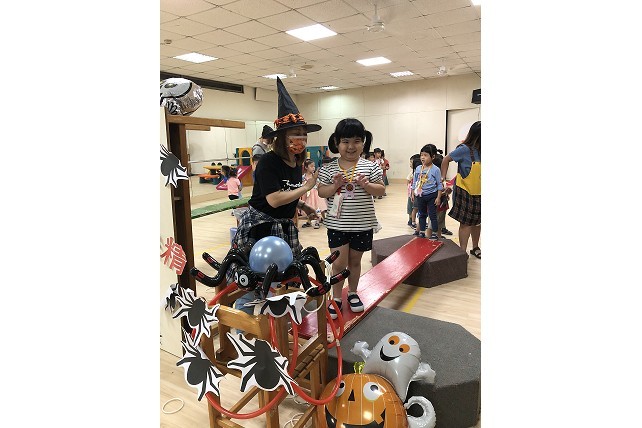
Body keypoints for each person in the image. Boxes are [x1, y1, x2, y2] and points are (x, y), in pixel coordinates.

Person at [230, 77, 322, 316]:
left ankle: (277, 317)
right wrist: (307, 188)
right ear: (281, 137)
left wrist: (304, 206)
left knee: (286, 275)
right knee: (255, 279)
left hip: (283, 228)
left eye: (303, 134)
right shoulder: (269, 161)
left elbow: (287, 191)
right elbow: (273, 199)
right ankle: (243, 325)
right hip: (261, 227)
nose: (301, 139)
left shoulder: (296, 161)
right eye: (295, 134)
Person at [317, 118, 385, 319]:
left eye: (357, 141)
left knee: (355, 262)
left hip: (362, 224)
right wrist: (335, 186)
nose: (351, 146)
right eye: (345, 141)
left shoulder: (370, 167)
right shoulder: (329, 168)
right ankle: (337, 297)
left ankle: (353, 293)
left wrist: (367, 185)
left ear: (363, 143)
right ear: (336, 142)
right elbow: (321, 192)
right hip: (337, 225)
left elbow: (380, 189)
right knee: (338, 264)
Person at [441, 121, 481, 258]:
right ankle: (462, 252)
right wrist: (443, 178)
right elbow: (446, 159)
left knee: (478, 222)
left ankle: (475, 247)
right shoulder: (464, 149)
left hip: (481, 191)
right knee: (466, 223)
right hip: (465, 191)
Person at [411, 144, 443, 240]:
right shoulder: (418, 168)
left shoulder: (435, 169)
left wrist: (438, 197)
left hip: (432, 195)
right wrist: (412, 193)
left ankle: (434, 233)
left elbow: (439, 184)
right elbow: (415, 181)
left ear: (432, 157)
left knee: (432, 215)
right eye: (421, 155)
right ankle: (421, 231)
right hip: (420, 195)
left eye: (425, 155)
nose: (422, 157)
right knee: (421, 214)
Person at [300, 159, 327, 229]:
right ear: (306, 167)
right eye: (311, 166)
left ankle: (324, 219)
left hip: (315, 193)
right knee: (310, 207)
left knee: (320, 207)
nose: (313, 168)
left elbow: (318, 183)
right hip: (308, 194)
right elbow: (301, 184)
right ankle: (310, 221)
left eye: (314, 166)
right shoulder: (303, 177)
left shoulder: (315, 176)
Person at [407, 154, 421, 228]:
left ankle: (419, 221)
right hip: (412, 193)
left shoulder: (419, 171)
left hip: (418, 193)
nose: (410, 164)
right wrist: (411, 190)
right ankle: (411, 220)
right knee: (412, 207)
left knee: (417, 208)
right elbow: (408, 181)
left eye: (411, 163)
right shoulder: (412, 173)